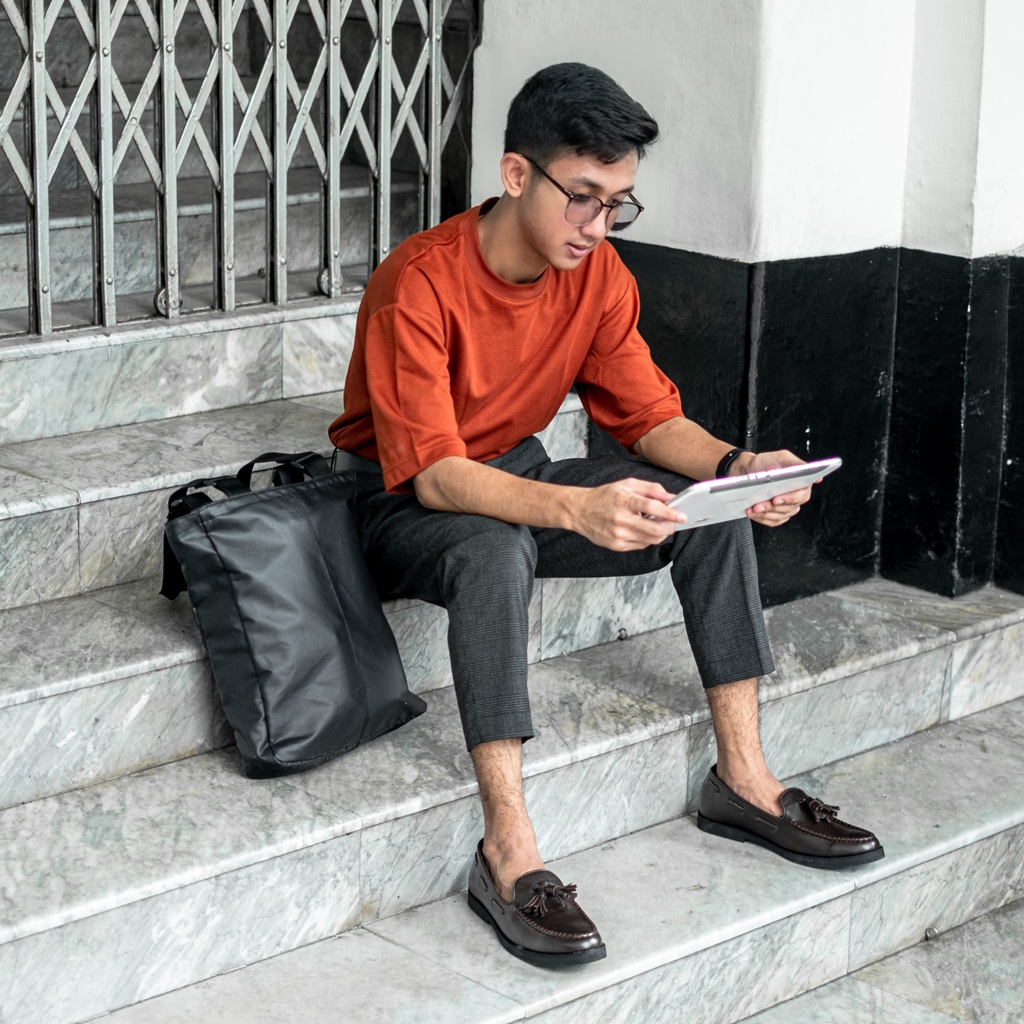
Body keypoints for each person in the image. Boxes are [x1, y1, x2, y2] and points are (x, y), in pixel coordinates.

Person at [329, 62, 883, 969]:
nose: (599, 226)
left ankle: (742, 778)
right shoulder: (418, 281)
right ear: (516, 176)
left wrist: (740, 468)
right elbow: (432, 475)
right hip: (394, 503)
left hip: (521, 476)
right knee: (493, 552)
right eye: (582, 198)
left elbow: (649, 416)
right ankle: (508, 850)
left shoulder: (598, 277)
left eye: (619, 203)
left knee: (705, 514)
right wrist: (575, 507)